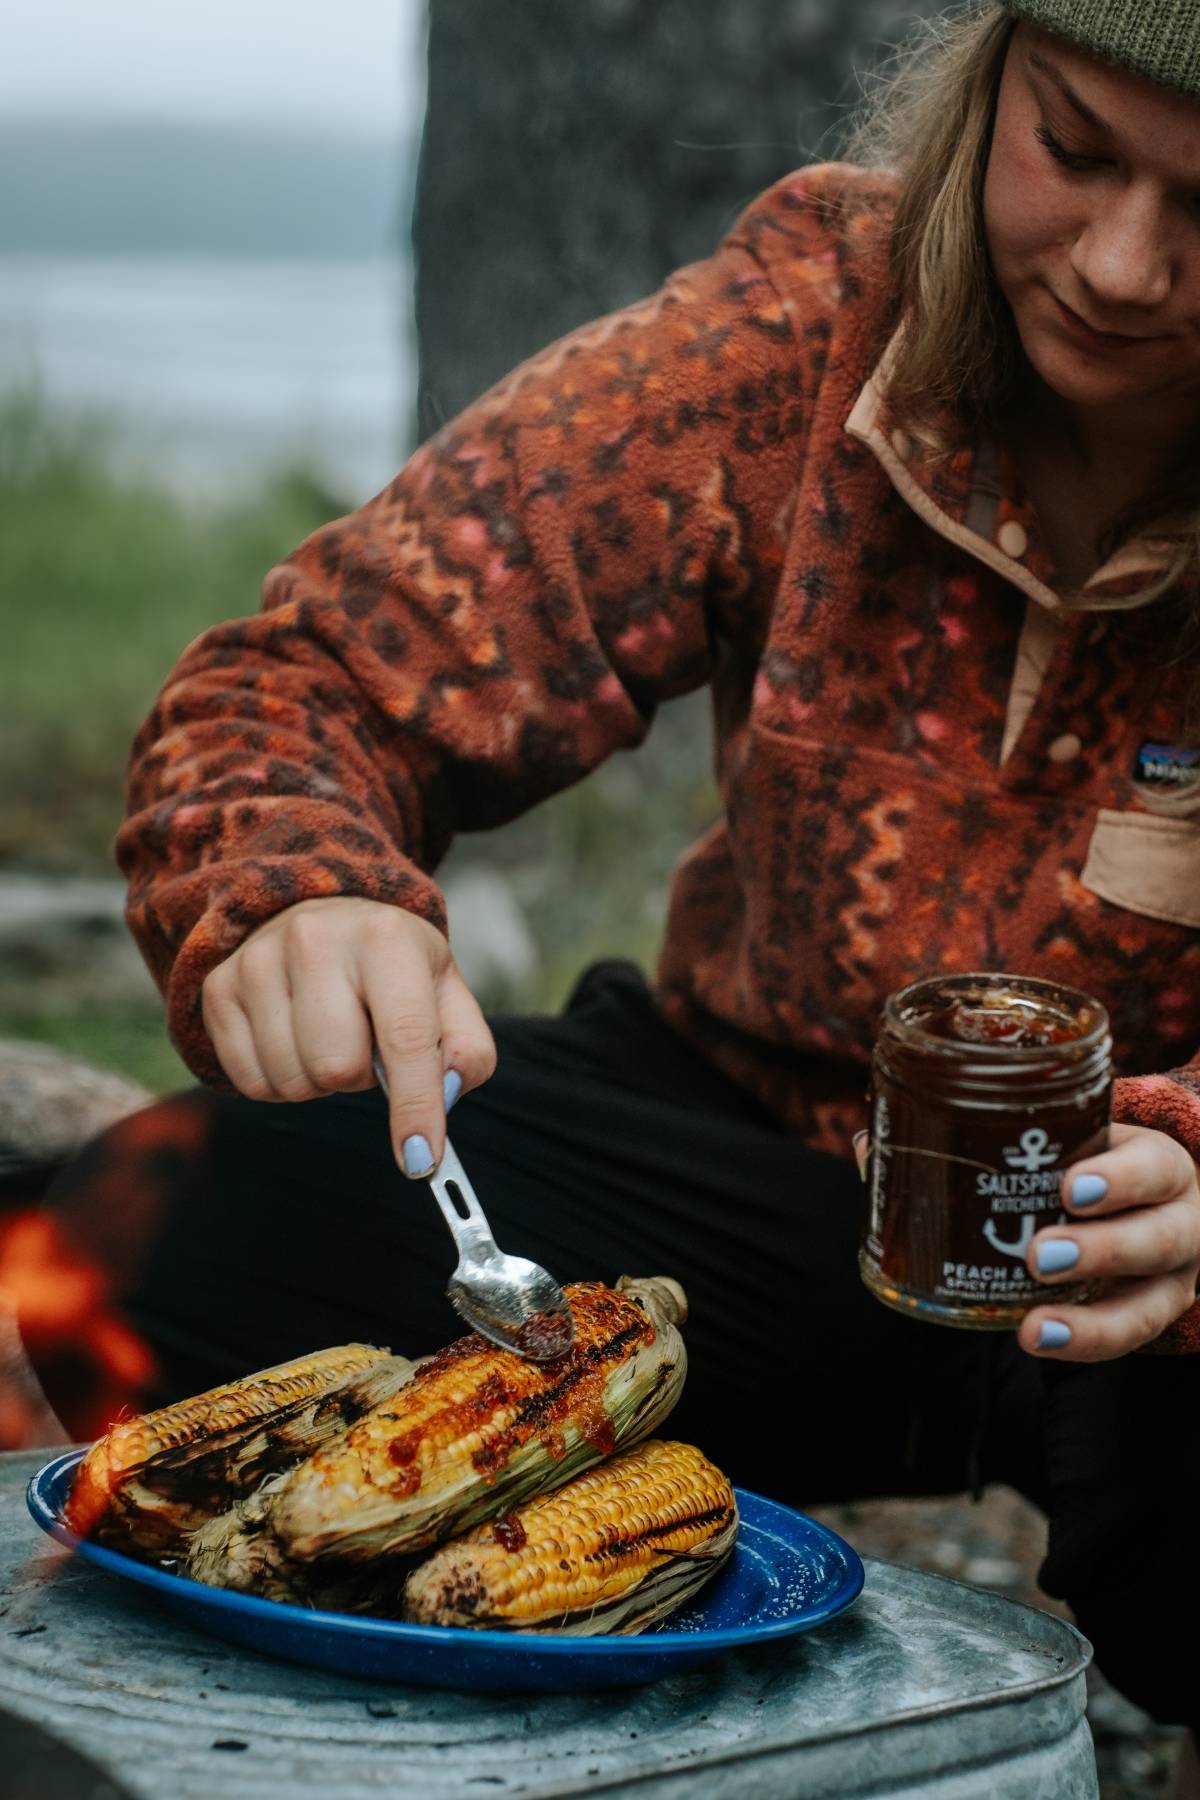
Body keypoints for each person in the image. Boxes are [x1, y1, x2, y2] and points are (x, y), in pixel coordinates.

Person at [22, 0, 1200, 1775]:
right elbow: (310, 681)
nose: (1122, 265)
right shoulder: (811, 332)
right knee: (187, 1218)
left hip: (1142, 1255)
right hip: (747, 1179)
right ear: (986, 88)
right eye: (1076, 148)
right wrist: (295, 889)